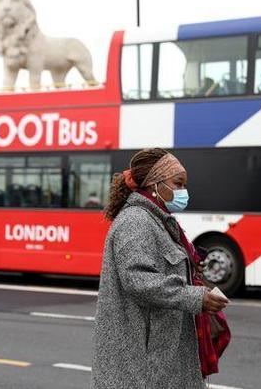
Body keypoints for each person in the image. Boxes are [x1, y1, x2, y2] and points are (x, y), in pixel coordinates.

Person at [91, 148, 230, 389]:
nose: (183, 192)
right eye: (178, 183)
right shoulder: (136, 221)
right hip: (144, 363)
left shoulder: (157, 220)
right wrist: (196, 297)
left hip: (159, 357)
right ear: (155, 184)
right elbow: (138, 280)